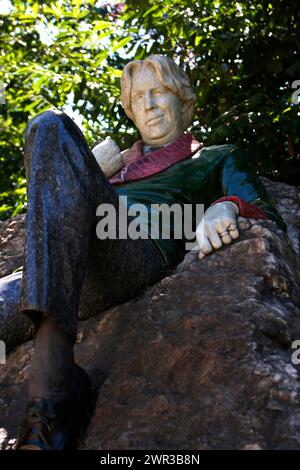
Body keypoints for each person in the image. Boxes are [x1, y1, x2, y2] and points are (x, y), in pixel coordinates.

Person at [0, 55, 285, 450]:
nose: (148, 105)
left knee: (50, 124)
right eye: (138, 98)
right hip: (68, 271)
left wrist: (226, 205)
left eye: (159, 92)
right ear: (129, 110)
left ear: (183, 100)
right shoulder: (112, 168)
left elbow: (265, 210)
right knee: (46, 130)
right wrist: (92, 173)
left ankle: (52, 391)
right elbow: (46, 228)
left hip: (134, 250)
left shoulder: (214, 155)